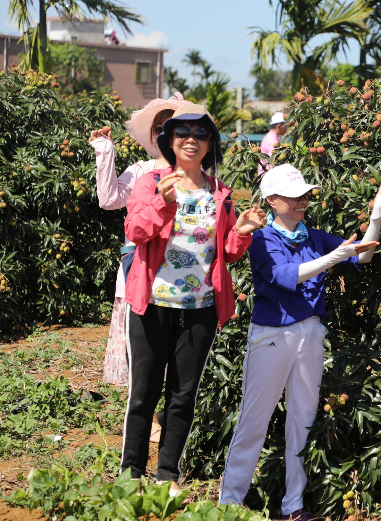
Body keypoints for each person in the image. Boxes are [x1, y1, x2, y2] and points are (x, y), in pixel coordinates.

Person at [218, 164, 381, 520]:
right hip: (273, 336)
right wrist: (333, 258)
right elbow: (288, 275)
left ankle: (293, 505)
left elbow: (362, 254)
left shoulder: (313, 236)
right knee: (255, 419)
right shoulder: (262, 240)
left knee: (303, 418)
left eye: (304, 195)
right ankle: (228, 503)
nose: (302, 202)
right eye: (293, 197)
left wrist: (377, 211)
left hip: (311, 333)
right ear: (272, 200)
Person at [121, 103, 262, 496]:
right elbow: (136, 231)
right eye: (182, 132)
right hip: (152, 304)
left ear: (210, 144)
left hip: (200, 309)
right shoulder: (151, 182)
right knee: (144, 394)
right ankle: (131, 476)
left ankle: (167, 476)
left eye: (201, 133)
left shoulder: (220, 193)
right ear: (169, 140)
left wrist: (243, 232)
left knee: (183, 396)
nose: (191, 139)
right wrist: (162, 202)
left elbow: (225, 253)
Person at [90, 93, 192, 389]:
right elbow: (109, 199)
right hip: (141, 269)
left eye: (174, 127)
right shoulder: (140, 171)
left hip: (181, 271)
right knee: (144, 354)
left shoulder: (194, 174)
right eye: (160, 128)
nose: (166, 134)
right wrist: (104, 152)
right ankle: (145, 407)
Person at [258, 112, 288, 176]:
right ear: (279, 126)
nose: (286, 128)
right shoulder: (272, 140)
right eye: (285, 125)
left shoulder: (270, 136)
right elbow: (273, 161)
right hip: (268, 177)